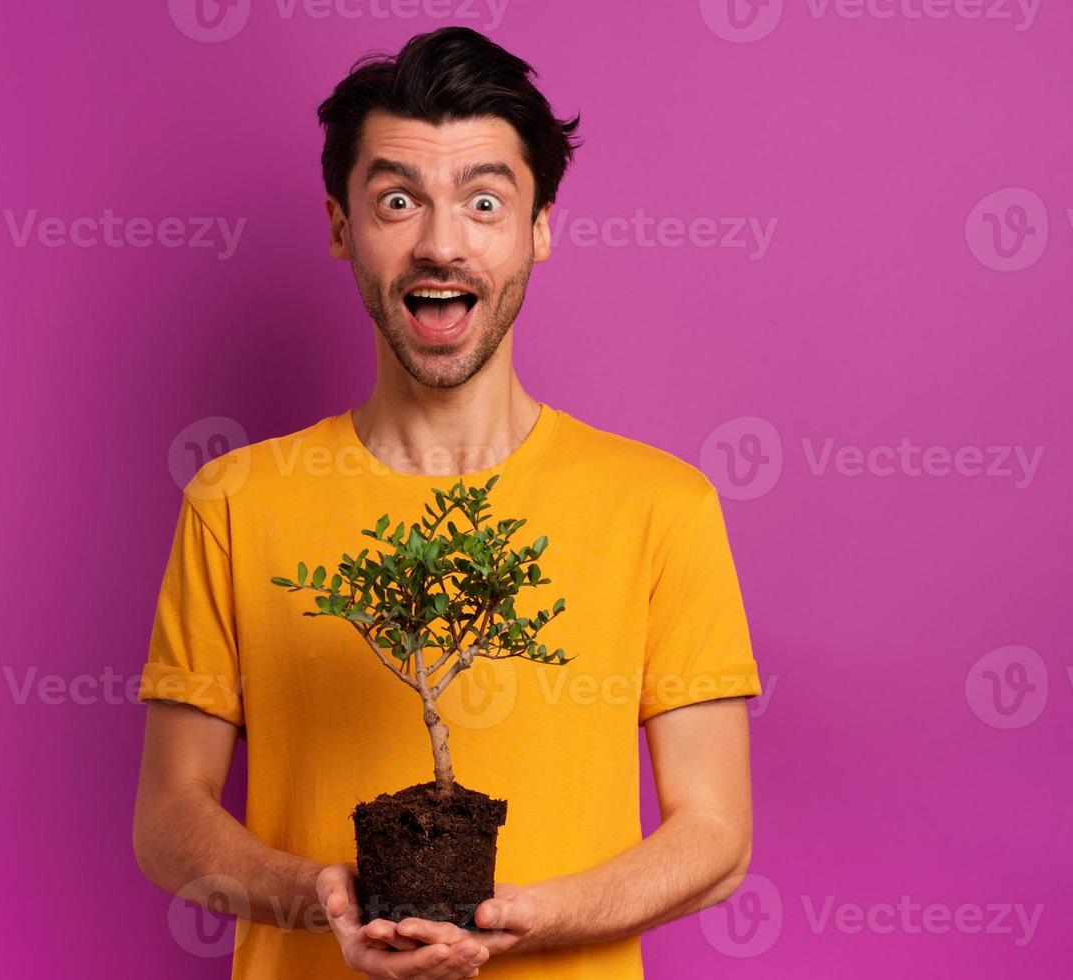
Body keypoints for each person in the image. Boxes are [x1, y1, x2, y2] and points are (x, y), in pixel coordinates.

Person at [132, 25, 762, 980]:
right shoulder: (236, 500)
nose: (440, 243)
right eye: (397, 200)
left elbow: (717, 835)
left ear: (538, 228)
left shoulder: (660, 503)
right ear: (343, 225)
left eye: (482, 201)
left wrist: (536, 919)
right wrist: (323, 898)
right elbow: (168, 820)